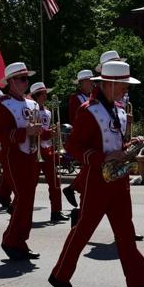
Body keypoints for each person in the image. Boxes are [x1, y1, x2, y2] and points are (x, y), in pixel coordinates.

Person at [49, 61, 144, 287]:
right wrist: (103, 157)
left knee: (126, 232)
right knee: (83, 231)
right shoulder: (87, 110)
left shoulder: (120, 109)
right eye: (122, 85)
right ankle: (60, 275)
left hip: (119, 180)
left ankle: (139, 284)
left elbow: (115, 145)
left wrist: (130, 146)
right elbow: (73, 146)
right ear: (108, 84)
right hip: (97, 180)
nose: (125, 90)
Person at [0, 62, 43, 260]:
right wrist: (25, 132)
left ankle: (20, 241)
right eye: (22, 79)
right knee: (22, 198)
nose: (26, 82)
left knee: (27, 200)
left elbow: (36, 128)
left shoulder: (32, 103)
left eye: (26, 78)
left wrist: (43, 132)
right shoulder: (2, 104)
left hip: (31, 154)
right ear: (11, 81)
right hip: (14, 156)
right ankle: (11, 240)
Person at [29, 82, 68, 222]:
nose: (46, 96)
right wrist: (47, 132)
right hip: (34, 150)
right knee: (30, 183)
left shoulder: (48, 112)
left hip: (47, 148)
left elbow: (45, 129)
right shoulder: (30, 110)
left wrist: (53, 132)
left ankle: (56, 210)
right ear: (36, 96)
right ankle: (17, 208)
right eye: (44, 94)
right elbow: (34, 130)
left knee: (55, 181)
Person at [61, 69, 95, 209]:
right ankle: (81, 196)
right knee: (89, 167)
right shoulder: (76, 98)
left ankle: (74, 188)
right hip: (83, 137)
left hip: (93, 135)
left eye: (92, 81)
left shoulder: (94, 96)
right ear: (81, 83)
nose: (91, 84)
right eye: (88, 81)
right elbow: (75, 119)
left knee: (89, 168)